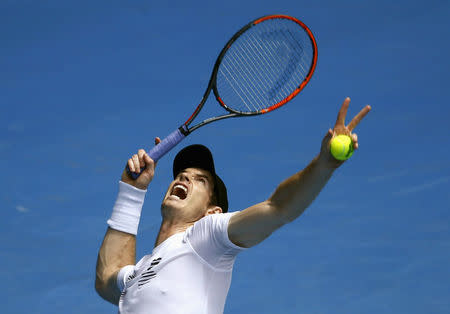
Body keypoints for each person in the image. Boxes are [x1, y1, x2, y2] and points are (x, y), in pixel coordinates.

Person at [95, 97, 371, 314]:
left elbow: (279, 208)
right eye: (182, 175)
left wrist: (324, 164)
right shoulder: (140, 272)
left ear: (212, 212)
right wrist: (132, 191)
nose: (184, 178)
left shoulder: (205, 238)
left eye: (200, 180)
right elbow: (107, 278)